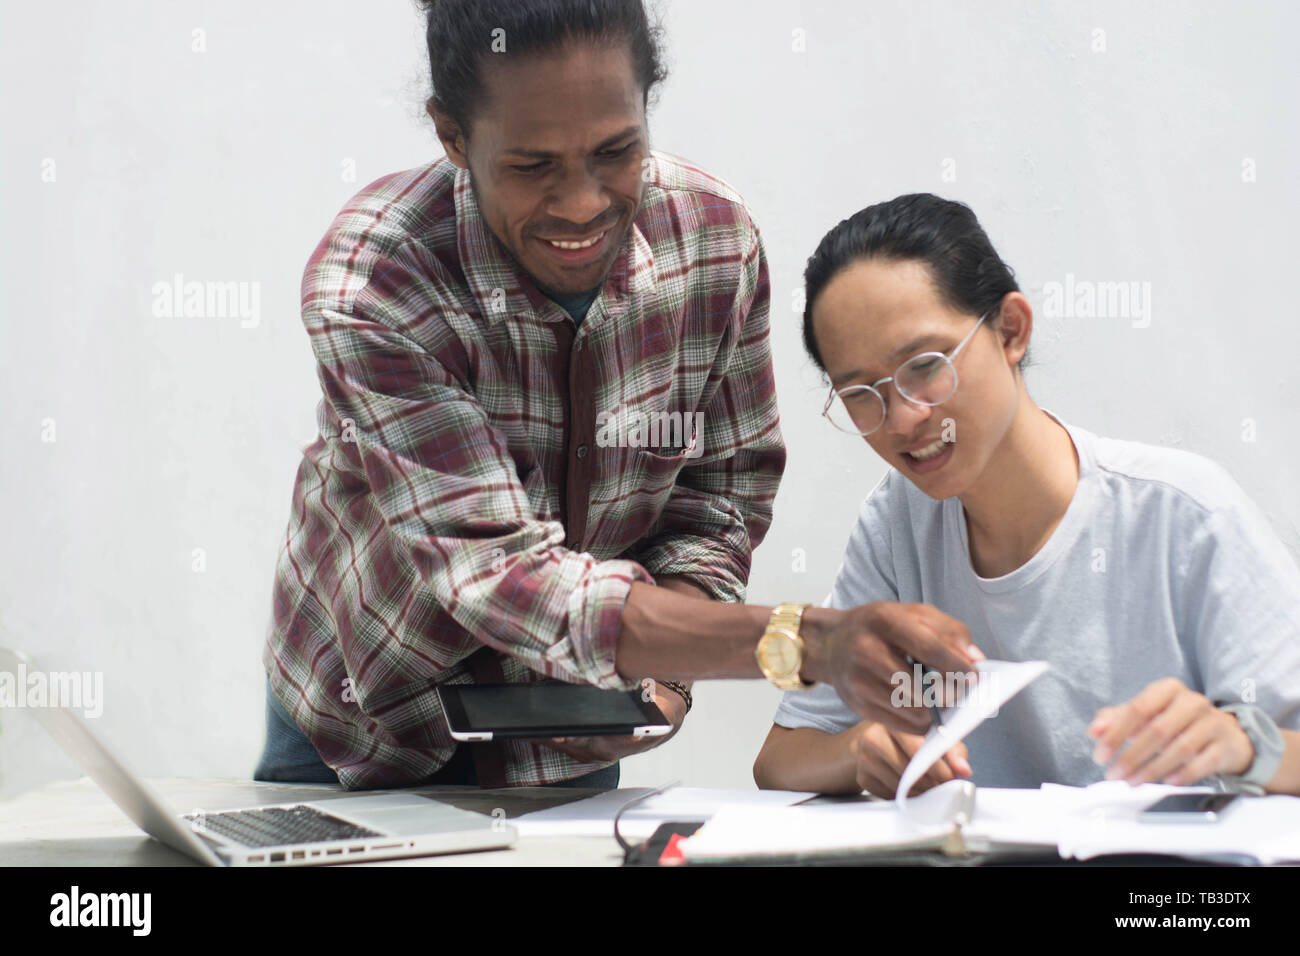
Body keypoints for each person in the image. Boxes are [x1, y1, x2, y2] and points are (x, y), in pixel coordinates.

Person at [255, 1, 982, 791]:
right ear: (452, 137)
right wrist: (805, 642)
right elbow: (498, 573)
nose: (582, 203)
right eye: (532, 167)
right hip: (365, 721)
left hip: (575, 725)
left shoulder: (714, 242)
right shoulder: (377, 280)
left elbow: (721, 493)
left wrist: (663, 682)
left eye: (616, 152)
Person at [753, 193, 1300, 798]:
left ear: (1010, 330)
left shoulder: (1183, 514)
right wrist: (860, 750)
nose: (902, 419)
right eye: (861, 394)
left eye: (925, 365)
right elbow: (782, 760)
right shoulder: (897, 525)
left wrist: (1244, 744)